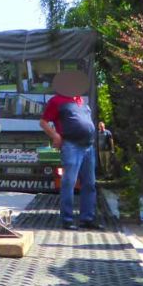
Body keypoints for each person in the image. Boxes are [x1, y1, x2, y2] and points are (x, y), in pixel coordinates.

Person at [39, 71, 101, 230]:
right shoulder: (57, 101)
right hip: (71, 145)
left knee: (90, 183)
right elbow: (43, 122)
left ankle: (87, 218)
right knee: (69, 182)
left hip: (88, 146)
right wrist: (55, 136)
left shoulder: (81, 101)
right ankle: (67, 219)